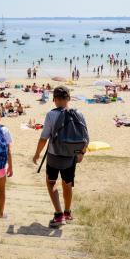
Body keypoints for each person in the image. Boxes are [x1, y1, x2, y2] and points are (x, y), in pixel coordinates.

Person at [32, 86, 89, 228]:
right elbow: (86, 137)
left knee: (51, 182)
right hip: (71, 156)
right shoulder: (79, 114)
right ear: (68, 98)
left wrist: (37, 154)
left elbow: (44, 137)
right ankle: (68, 212)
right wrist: (81, 153)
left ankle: (58, 215)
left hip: (54, 155)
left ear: (54, 100)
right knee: (68, 183)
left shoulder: (51, 115)